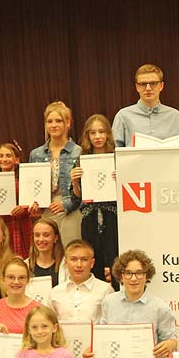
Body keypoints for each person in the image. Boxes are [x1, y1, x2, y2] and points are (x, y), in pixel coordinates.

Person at [71, 114, 119, 280]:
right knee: (92, 261)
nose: (97, 137)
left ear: (108, 134)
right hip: (90, 218)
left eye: (101, 131)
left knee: (116, 261)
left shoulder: (117, 158)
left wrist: (121, 179)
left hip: (113, 217)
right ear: (87, 135)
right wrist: (75, 182)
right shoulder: (81, 160)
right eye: (93, 133)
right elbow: (77, 197)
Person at [28, 101, 83, 245]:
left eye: (58, 121)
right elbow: (32, 186)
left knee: (71, 250)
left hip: (71, 210)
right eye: (49, 121)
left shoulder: (78, 151)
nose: (53, 125)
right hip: (46, 210)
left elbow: (84, 191)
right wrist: (34, 203)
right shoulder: (36, 154)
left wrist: (66, 205)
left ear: (68, 123)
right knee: (48, 253)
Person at [112, 64, 179, 147]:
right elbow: (116, 153)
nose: (148, 88)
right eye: (143, 84)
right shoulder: (123, 116)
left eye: (153, 83)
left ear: (161, 86)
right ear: (137, 87)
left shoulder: (174, 116)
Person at [0, 140, 37, 258]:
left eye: (8, 156)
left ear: (17, 160)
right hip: (3, 225)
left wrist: (24, 209)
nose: (4, 159)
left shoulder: (25, 180)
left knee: (25, 257)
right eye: (1, 156)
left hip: (21, 225)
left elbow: (33, 203)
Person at [28, 217, 64, 283]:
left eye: (46, 235)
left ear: (56, 238)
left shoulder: (65, 265)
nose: (41, 239)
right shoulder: (25, 265)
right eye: (37, 235)